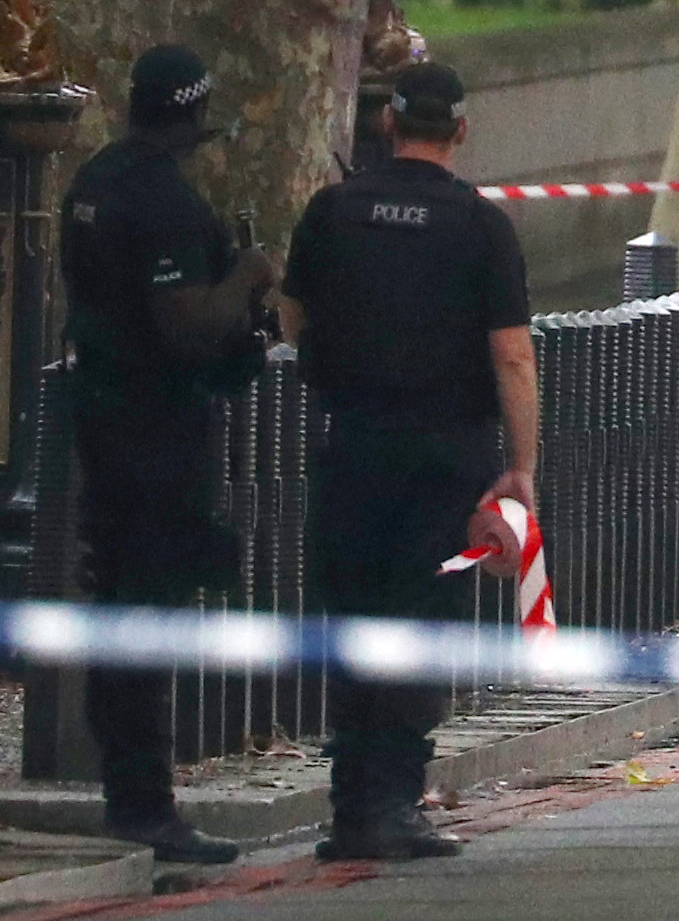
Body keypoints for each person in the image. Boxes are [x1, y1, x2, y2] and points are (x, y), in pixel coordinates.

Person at [279, 61, 536, 861]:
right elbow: (512, 357)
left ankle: (351, 804)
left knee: (354, 616)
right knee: (421, 621)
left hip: (351, 443)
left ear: (387, 123)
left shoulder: (331, 211)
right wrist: (520, 467)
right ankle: (394, 801)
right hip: (444, 456)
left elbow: (292, 320)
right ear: (460, 129)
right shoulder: (480, 225)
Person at [60, 45, 275, 864]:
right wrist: (248, 274)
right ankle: (146, 804)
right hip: (157, 433)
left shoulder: (95, 183)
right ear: (192, 115)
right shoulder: (165, 203)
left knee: (119, 603)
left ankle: (131, 791)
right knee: (148, 612)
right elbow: (186, 324)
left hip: (104, 422)